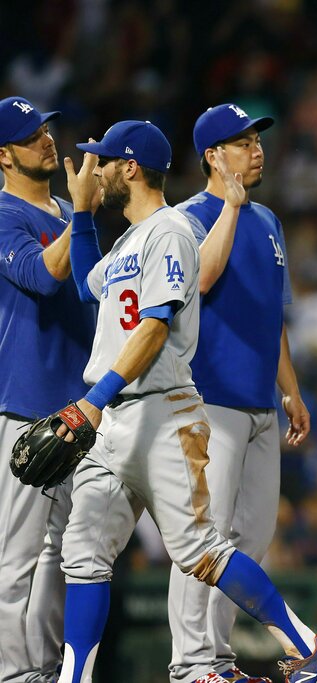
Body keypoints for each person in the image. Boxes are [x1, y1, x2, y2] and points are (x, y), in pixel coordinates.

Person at [58, 120, 317, 683]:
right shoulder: (127, 242)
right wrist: (84, 214)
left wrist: (93, 400)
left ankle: (306, 646)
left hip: (162, 409)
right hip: (114, 418)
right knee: (84, 553)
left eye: (105, 161)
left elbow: (157, 325)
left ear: (131, 166)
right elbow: (87, 286)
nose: (97, 170)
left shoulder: (173, 230)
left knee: (201, 551)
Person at [164, 103, 310, 683]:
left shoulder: (269, 220)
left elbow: (271, 318)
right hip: (207, 400)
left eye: (257, 139)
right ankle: (190, 662)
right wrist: (228, 205)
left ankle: (218, 660)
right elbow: (200, 278)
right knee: (204, 537)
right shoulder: (187, 217)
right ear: (211, 155)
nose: (256, 149)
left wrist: (292, 391)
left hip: (258, 403)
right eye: (241, 142)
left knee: (250, 538)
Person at [0, 96, 95, 683]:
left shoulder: (65, 207)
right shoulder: (5, 212)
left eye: (47, 129)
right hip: (27, 402)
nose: (47, 141)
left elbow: (94, 291)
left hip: (82, 406)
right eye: (31, 135)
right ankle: (13, 674)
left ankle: (46, 669)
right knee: (17, 557)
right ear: (2, 155)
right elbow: (40, 275)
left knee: (67, 555)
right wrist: (80, 216)